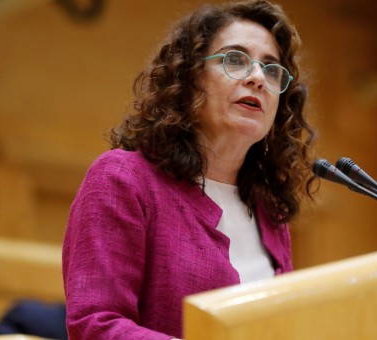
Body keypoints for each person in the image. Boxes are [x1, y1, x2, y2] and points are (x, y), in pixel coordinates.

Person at [61, 0, 316, 338]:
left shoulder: (268, 213)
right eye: (235, 60)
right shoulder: (123, 179)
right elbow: (95, 325)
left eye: (271, 69)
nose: (258, 78)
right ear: (191, 78)